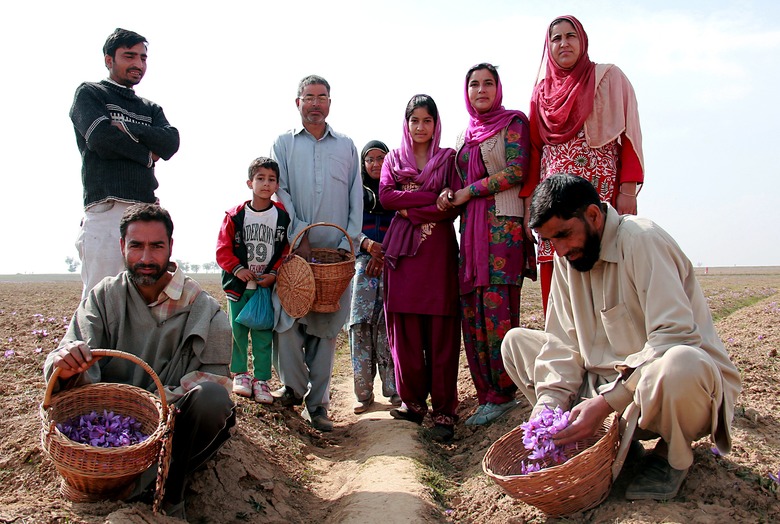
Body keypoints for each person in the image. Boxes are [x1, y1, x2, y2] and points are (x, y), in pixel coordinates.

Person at [500, 174, 741, 501]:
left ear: (594, 216)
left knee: (681, 363)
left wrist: (605, 403)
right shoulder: (566, 256)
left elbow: (674, 336)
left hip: (663, 393)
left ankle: (672, 456)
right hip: (605, 389)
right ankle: (611, 445)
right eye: (550, 241)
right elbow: (561, 345)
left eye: (564, 235)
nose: (560, 249)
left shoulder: (642, 240)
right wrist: (547, 410)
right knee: (515, 343)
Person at [44, 204, 235, 519]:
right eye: (136, 246)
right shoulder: (104, 297)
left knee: (213, 400)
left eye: (156, 246)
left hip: (170, 427)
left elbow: (216, 378)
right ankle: (113, 481)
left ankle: (170, 492)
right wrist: (64, 362)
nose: (146, 258)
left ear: (170, 248)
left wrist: (156, 410)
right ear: (122, 247)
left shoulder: (205, 311)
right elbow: (70, 351)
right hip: (111, 433)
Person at [437, 63, 536, 426]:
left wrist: (467, 191)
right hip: (472, 233)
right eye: (474, 84)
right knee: (472, 312)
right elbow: (457, 179)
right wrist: (451, 192)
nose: (481, 90)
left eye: (488, 83)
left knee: (497, 313)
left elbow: (517, 171)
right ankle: (486, 395)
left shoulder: (513, 123)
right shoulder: (466, 135)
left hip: (502, 231)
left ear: (499, 88)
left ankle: (505, 392)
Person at [529, 15, 645, 314]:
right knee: (557, 267)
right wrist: (530, 206)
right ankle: (565, 350)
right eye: (556, 38)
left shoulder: (608, 77)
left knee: (604, 260)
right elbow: (534, 149)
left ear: (583, 41)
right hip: (552, 198)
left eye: (571, 36)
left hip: (599, 191)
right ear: (548, 46)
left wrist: (628, 190)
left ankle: (610, 351)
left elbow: (629, 135)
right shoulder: (540, 92)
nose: (564, 43)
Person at [270, 75, 362, 432]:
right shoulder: (284, 144)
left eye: (322, 97)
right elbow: (282, 192)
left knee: (326, 329)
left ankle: (318, 406)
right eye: (308, 97)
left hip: (336, 257)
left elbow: (356, 198)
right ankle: (292, 389)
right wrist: (298, 236)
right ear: (297, 103)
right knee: (288, 320)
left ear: (330, 103)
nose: (315, 103)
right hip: (296, 253)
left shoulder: (347, 146)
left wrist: (346, 246)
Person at [70, 28, 180, 300]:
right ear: (109, 60)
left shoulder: (149, 108)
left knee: (145, 296)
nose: (138, 64)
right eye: (129, 56)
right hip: (108, 208)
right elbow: (101, 140)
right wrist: (145, 155)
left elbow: (170, 142)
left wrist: (126, 127)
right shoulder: (90, 94)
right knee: (100, 297)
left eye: (143, 58)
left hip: (145, 211)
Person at [380, 95, 461, 442]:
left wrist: (409, 208)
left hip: (438, 255)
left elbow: (452, 206)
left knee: (442, 332)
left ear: (436, 123)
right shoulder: (392, 159)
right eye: (414, 120)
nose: (420, 127)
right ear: (406, 123)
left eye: (427, 120)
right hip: (403, 258)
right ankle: (413, 404)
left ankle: (444, 411)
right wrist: (431, 197)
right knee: (407, 331)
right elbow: (386, 197)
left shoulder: (448, 159)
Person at [216, 157, 290, 405]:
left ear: (277, 184)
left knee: (262, 334)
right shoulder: (235, 215)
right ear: (250, 182)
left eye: (271, 179)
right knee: (238, 332)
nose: (265, 184)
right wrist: (237, 269)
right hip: (238, 288)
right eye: (260, 178)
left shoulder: (281, 217)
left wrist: (275, 274)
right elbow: (222, 249)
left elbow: (286, 250)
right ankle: (240, 374)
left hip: (264, 288)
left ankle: (261, 380)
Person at [349, 140, 401, 414]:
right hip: (362, 263)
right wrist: (368, 247)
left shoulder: (397, 190)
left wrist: (383, 255)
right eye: (370, 159)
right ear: (363, 163)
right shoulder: (355, 193)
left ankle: (393, 389)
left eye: (382, 158)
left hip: (391, 263)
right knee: (359, 325)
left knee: (387, 327)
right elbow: (349, 227)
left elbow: (404, 225)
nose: (376, 164)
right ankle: (363, 392)